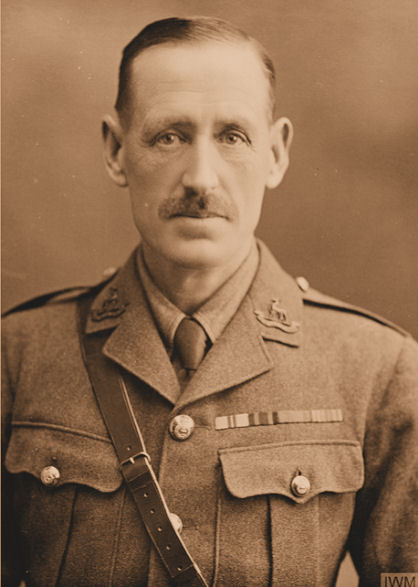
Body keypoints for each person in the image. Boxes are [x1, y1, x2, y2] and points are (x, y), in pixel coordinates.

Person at [2, 16, 417, 587]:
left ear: (276, 154)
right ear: (117, 150)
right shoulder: (19, 355)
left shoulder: (376, 367)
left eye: (232, 136)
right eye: (169, 136)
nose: (200, 177)